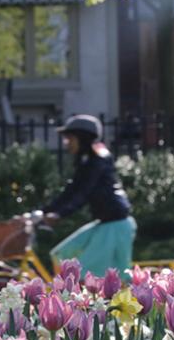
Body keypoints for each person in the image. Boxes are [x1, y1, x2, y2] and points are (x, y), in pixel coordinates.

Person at [40, 114, 136, 277]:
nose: (66, 143)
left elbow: (84, 192)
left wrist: (59, 214)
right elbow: (72, 190)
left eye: (70, 138)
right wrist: (45, 211)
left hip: (115, 225)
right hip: (105, 223)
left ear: (83, 138)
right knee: (62, 254)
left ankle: (77, 299)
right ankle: (65, 291)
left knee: (87, 274)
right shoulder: (87, 160)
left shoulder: (97, 160)